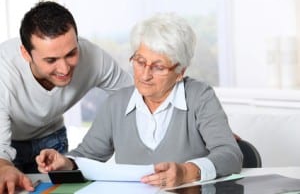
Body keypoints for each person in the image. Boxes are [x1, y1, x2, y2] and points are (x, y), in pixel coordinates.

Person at [36, 13, 243, 188]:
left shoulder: (200, 96)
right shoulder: (116, 103)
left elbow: (230, 155)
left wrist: (187, 172)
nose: (145, 75)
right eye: (140, 61)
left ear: (180, 71)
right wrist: (66, 162)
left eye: (158, 67)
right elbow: (87, 156)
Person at [0, 1, 132, 193]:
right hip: (7, 144)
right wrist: (4, 167)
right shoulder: (3, 71)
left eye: (71, 54)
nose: (64, 69)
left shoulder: (94, 58)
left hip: (52, 140)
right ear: (25, 54)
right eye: (51, 60)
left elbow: (134, 98)